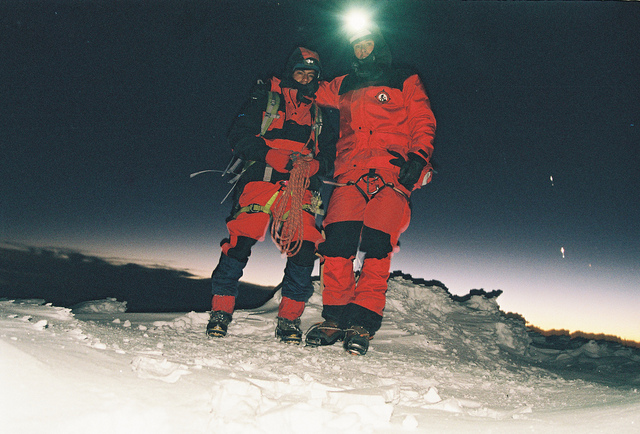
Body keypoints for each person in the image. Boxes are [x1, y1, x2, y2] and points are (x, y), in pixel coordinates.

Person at [305, 25, 436, 355]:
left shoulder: (403, 77)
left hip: (392, 173)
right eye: (356, 47)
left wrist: (419, 158)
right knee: (336, 245)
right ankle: (335, 318)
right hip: (349, 173)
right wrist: (292, 74)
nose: (361, 51)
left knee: (378, 248)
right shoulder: (344, 84)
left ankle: (362, 322)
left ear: (378, 45)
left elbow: (423, 118)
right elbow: (308, 88)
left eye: (366, 44)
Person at [206, 47, 335, 344]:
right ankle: (221, 312)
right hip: (261, 179)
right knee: (240, 243)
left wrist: (316, 165)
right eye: (300, 72)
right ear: (290, 72)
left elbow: (330, 153)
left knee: (303, 250)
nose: (305, 79)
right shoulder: (265, 98)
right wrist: (270, 155)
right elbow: (238, 136)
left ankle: (289, 319)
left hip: (300, 186)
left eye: (311, 74)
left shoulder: (319, 112)